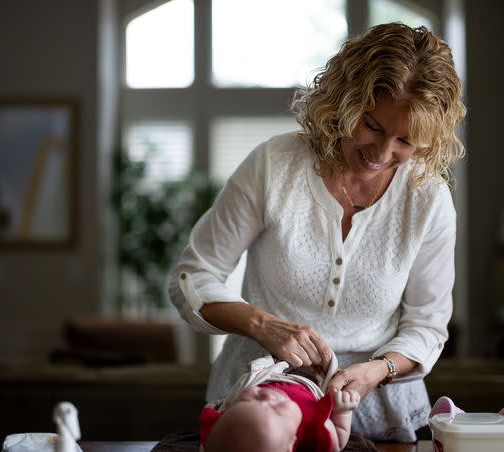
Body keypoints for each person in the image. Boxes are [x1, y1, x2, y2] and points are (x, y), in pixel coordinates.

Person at [169, 22, 465, 442]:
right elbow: (191, 278)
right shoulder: (275, 166)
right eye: (373, 126)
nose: (382, 154)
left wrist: (378, 371)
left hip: (382, 419)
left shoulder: (428, 199)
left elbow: (428, 327)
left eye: (406, 140)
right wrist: (262, 324)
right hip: (261, 414)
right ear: (344, 102)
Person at [198, 354, 360, 452]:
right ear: (292, 444)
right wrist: (344, 412)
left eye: (253, 398)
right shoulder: (313, 431)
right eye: (277, 409)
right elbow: (338, 442)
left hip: (269, 373)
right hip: (315, 383)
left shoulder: (221, 428)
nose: (269, 397)